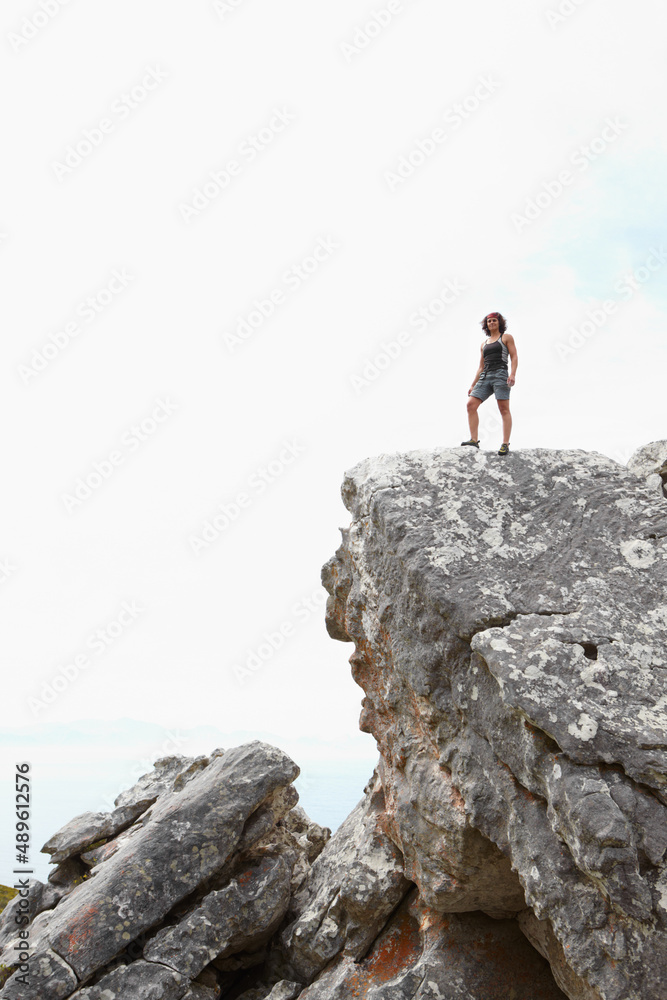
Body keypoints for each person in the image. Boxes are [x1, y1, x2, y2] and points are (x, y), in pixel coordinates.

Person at [461, 311, 517, 456]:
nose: (491, 323)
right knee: (471, 405)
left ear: (499, 323)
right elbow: (481, 366)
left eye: (494, 321)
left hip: (500, 375)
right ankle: (474, 440)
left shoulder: (506, 337)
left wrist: (512, 374)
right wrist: (473, 384)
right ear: (486, 324)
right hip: (485, 376)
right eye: (489, 321)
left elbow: (514, 356)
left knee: (503, 408)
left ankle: (505, 444)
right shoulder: (484, 344)